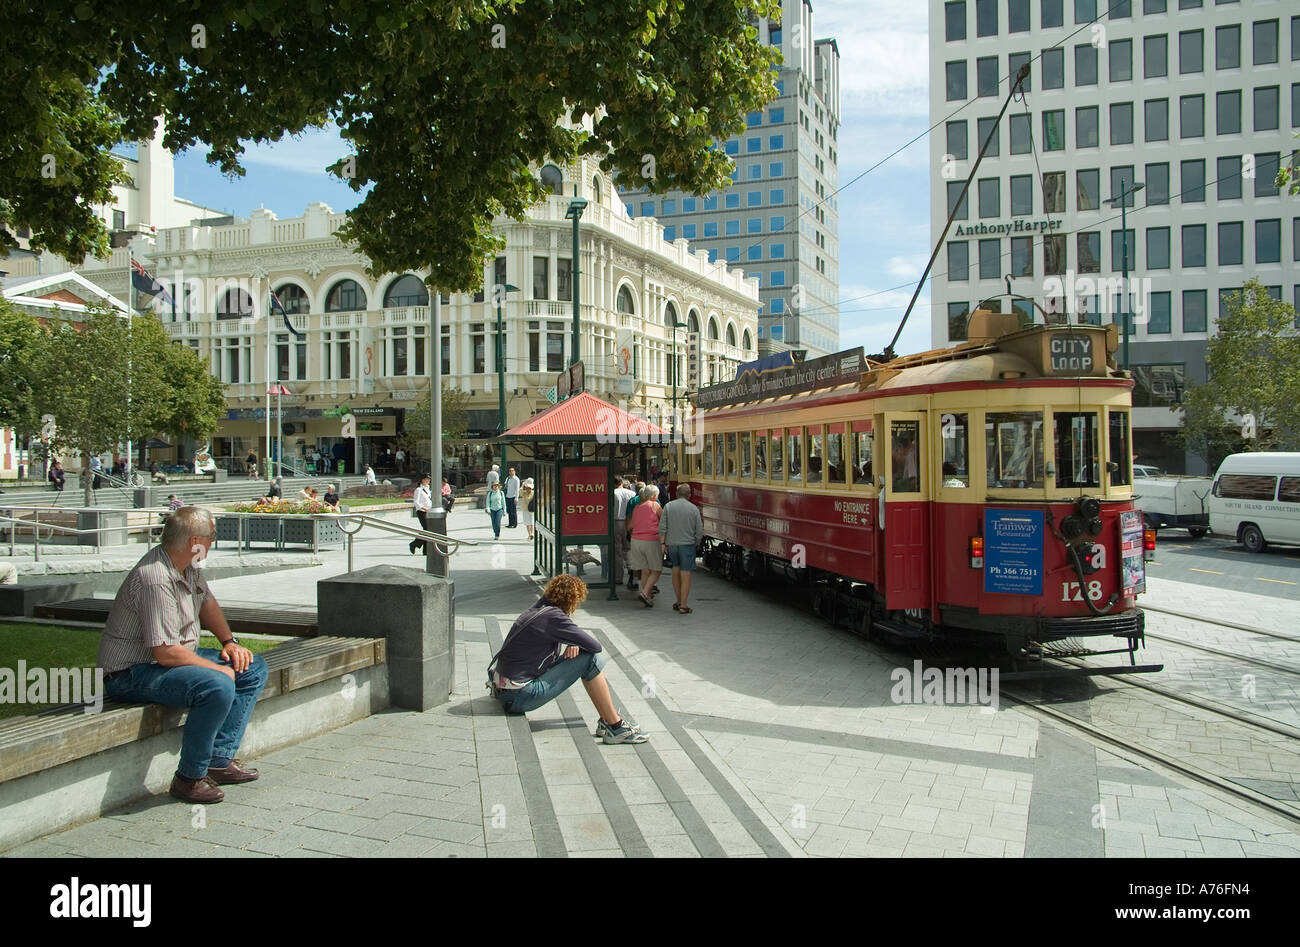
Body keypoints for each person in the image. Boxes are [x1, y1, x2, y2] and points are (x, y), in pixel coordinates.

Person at [98, 506, 269, 803]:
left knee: (252, 668)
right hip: (130, 673)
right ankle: (189, 778)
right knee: (217, 685)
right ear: (194, 542)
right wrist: (217, 670)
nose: (214, 541)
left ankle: (219, 759)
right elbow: (165, 653)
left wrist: (229, 642)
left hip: (170, 658)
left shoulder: (187, 565)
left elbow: (207, 603)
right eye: (212, 536)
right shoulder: (155, 578)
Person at [487, 575, 647, 744]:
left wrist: (573, 642)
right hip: (519, 696)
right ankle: (615, 726)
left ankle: (608, 722)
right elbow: (595, 646)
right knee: (590, 660)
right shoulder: (554, 617)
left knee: (585, 657)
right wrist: (574, 641)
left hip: (505, 691)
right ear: (573, 600)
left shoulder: (539, 609)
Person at [659, 484, 705, 614]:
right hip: (687, 545)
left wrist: (663, 543)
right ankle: (684, 605)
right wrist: (696, 543)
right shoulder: (694, 509)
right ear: (689, 494)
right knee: (686, 574)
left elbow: (662, 527)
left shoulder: (668, 506)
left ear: (677, 494)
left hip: (672, 545)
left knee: (675, 569)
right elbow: (699, 530)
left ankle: (678, 600)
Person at [627, 484, 663, 607]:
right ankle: (645, 592)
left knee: (645, 570)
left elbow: (630, 526)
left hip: (636, 541)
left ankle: (647, 596)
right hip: (651, 540)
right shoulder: (655, 505)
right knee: (657, 570)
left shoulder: (637, 507)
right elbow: (663, 522)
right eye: (657, 495)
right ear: (653, 495)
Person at [612, 478, 635, 584]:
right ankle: (631, 570)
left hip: (616, 522)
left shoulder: (612, 493)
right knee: (628, 548)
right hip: (629, 522)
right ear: (621, 483)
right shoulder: (632, 493)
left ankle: (618, 577)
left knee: (617, 551)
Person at [410, 475, 433, 555]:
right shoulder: (418, 490)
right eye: (426, 479)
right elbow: (416, 502)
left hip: (429, 511)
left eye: (429, 479)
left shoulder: (428, 489)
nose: (428, 480)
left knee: (428, 530)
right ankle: (414, 543)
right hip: (422, 512)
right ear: (422, 480)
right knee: (427, 529)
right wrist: (424, 508)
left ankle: (425, 550)